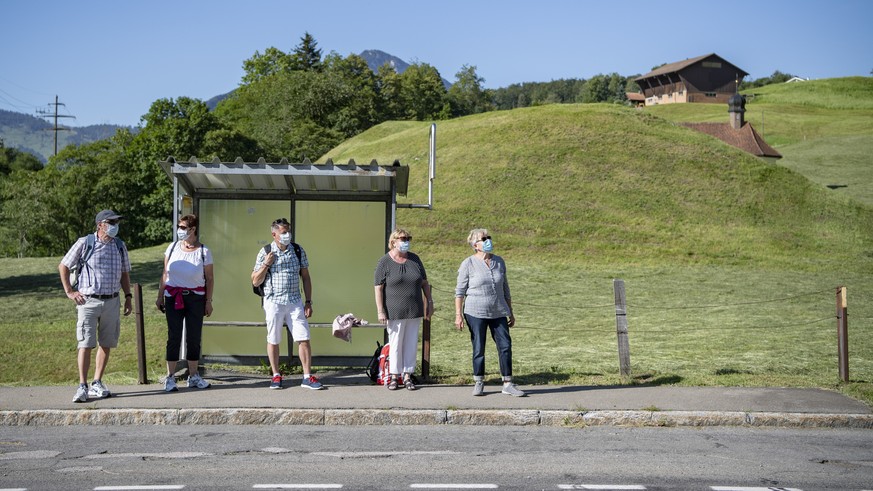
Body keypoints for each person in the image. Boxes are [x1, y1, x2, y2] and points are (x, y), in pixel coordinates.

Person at [59, 210, 133, 403]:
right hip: (88, 300)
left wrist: (128, 296)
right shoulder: (85, 242)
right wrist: (70, 291)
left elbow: (125, 273)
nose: (115, 225)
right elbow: (64, 265)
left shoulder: (120, 245)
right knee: (85, 343)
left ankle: (97, 382)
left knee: (106, 343)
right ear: (100, 224)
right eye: (111, 222)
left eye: (117, 222)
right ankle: (82, 385)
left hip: (112, 300)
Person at [251, 218, 323, 390]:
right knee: (273, 338)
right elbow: (255, 281)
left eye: (288, 232)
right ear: (274, 234)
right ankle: (276, 375)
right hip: (273, 301)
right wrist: (266, 264)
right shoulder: (265, 251)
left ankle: (307, 376)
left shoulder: (297, 250)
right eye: (283, 232)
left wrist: (308, 301)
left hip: (295, 301)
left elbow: (305, 277)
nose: (287, 235)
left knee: (303, 337)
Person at [454, 228, 525, 397]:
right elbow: (459, 291)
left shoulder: (499, 261)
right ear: (474, 245)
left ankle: (507, 383)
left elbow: (505, 288)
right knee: (479, 347)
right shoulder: (468, 263)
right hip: (475, 311)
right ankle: (479, 381)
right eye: (483, 238)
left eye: (488, 237)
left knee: (505, 345)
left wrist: (510, 311)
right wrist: (458, 315)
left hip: (498, 311)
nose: (488, 241)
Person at [155, 214, 214, 392]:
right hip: (173, 296)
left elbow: (209, 278)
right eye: (179, 227)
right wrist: (160, 296)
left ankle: (193, 375)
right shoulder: (172, 248)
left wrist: (208, 301)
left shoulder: (204, 251)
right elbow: (165, 274)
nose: (180, 230)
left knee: (194, 337)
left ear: (193, 229)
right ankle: (170, 377)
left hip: (196, 297)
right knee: (174, 336)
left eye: (183, 227)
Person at [374, 228, 433, 391]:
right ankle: (394, 375)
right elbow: (378, 287)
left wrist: (430, 301)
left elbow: (424, 282)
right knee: (396, 342)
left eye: (408, 238)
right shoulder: (384, 261)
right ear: (393, 241)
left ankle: (407, 375)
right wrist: (381, 310)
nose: (406, 241)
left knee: (411, 342)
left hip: (414, 309)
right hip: (394, 310)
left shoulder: (415, 259)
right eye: (402, 238)